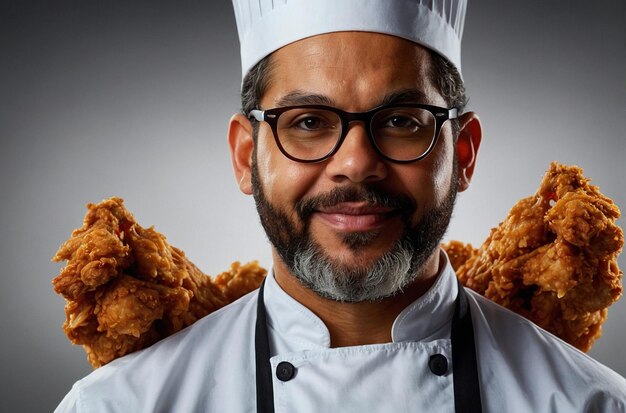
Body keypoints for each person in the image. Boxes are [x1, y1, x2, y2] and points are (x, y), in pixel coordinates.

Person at [56, 1, 626, 412]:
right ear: (245, 156)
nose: (355, 163)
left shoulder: (587, 402)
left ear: (465, 154)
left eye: (402, 122)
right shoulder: (121, 406)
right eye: (307, 122)